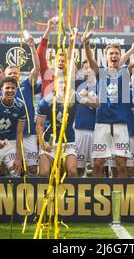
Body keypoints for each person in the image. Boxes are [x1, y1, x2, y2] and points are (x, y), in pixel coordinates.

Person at [84, 34, 134, 178]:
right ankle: (96, 196)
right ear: (106, 56)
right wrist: (86, 44)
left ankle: (123, 198)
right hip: (102, 123)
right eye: (111, 53)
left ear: (120, 56)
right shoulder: (101, 72)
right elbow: (90, 59)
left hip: (121, 124)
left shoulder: (125, 73)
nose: (114, 56)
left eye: (116, 53)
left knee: (121, 165)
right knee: (98, 163)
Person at [36, 29, 79, 177]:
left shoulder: (69, 79)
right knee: (46, 172)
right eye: (58, 61)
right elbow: (40, 54)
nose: (61, 63)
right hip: (48, 130)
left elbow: (70, 61)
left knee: (66, 171)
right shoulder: (47, 75)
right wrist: (48, 29)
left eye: (63, 61)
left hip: (65, 130)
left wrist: (72, 42)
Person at [3, 31, 40, 176]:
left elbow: (36, 69)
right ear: (6, 76)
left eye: (15, 73)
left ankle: (31, 197)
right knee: (13, 169)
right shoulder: (3, 93)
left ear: (19, 74)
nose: (13, 75)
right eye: (10, 74)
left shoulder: (27, 85)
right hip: (11, 136)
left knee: (32, 169)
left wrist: (31, 47)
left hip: (29, 134)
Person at [74, 59, 99, 177]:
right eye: (85, 68)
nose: (88, 70)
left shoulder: (102, 85)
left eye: (90, 68)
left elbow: (99, 105)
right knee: (78, 168)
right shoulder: (78, 84)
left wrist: (87, 99)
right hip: (80, 130)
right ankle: (78, 193)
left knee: (98, 167)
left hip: (97, 131)